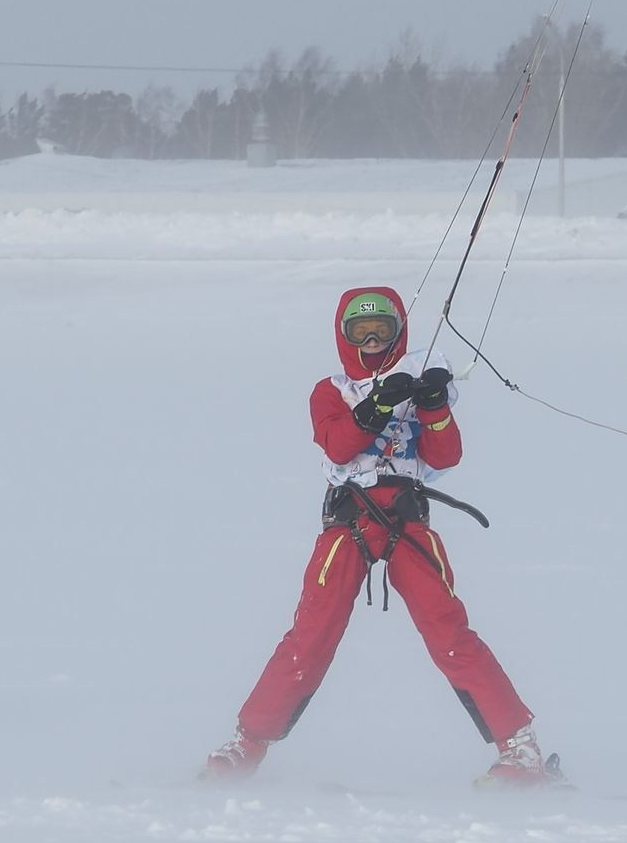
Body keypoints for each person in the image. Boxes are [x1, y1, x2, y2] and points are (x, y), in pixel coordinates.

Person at [202, 286, 558, 788]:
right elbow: (339, 444)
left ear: (399, 332)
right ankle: (248, 742)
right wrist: (375, 407)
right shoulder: (330, 391)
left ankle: (521, 749)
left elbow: (445, 456)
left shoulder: (415, 380)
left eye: (382, 331)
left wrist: (432, 405)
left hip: (408, 521)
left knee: (448, 628)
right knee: (310, 635)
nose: (371, 342)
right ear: (343, 337)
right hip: (349, 523)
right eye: (360, 332)